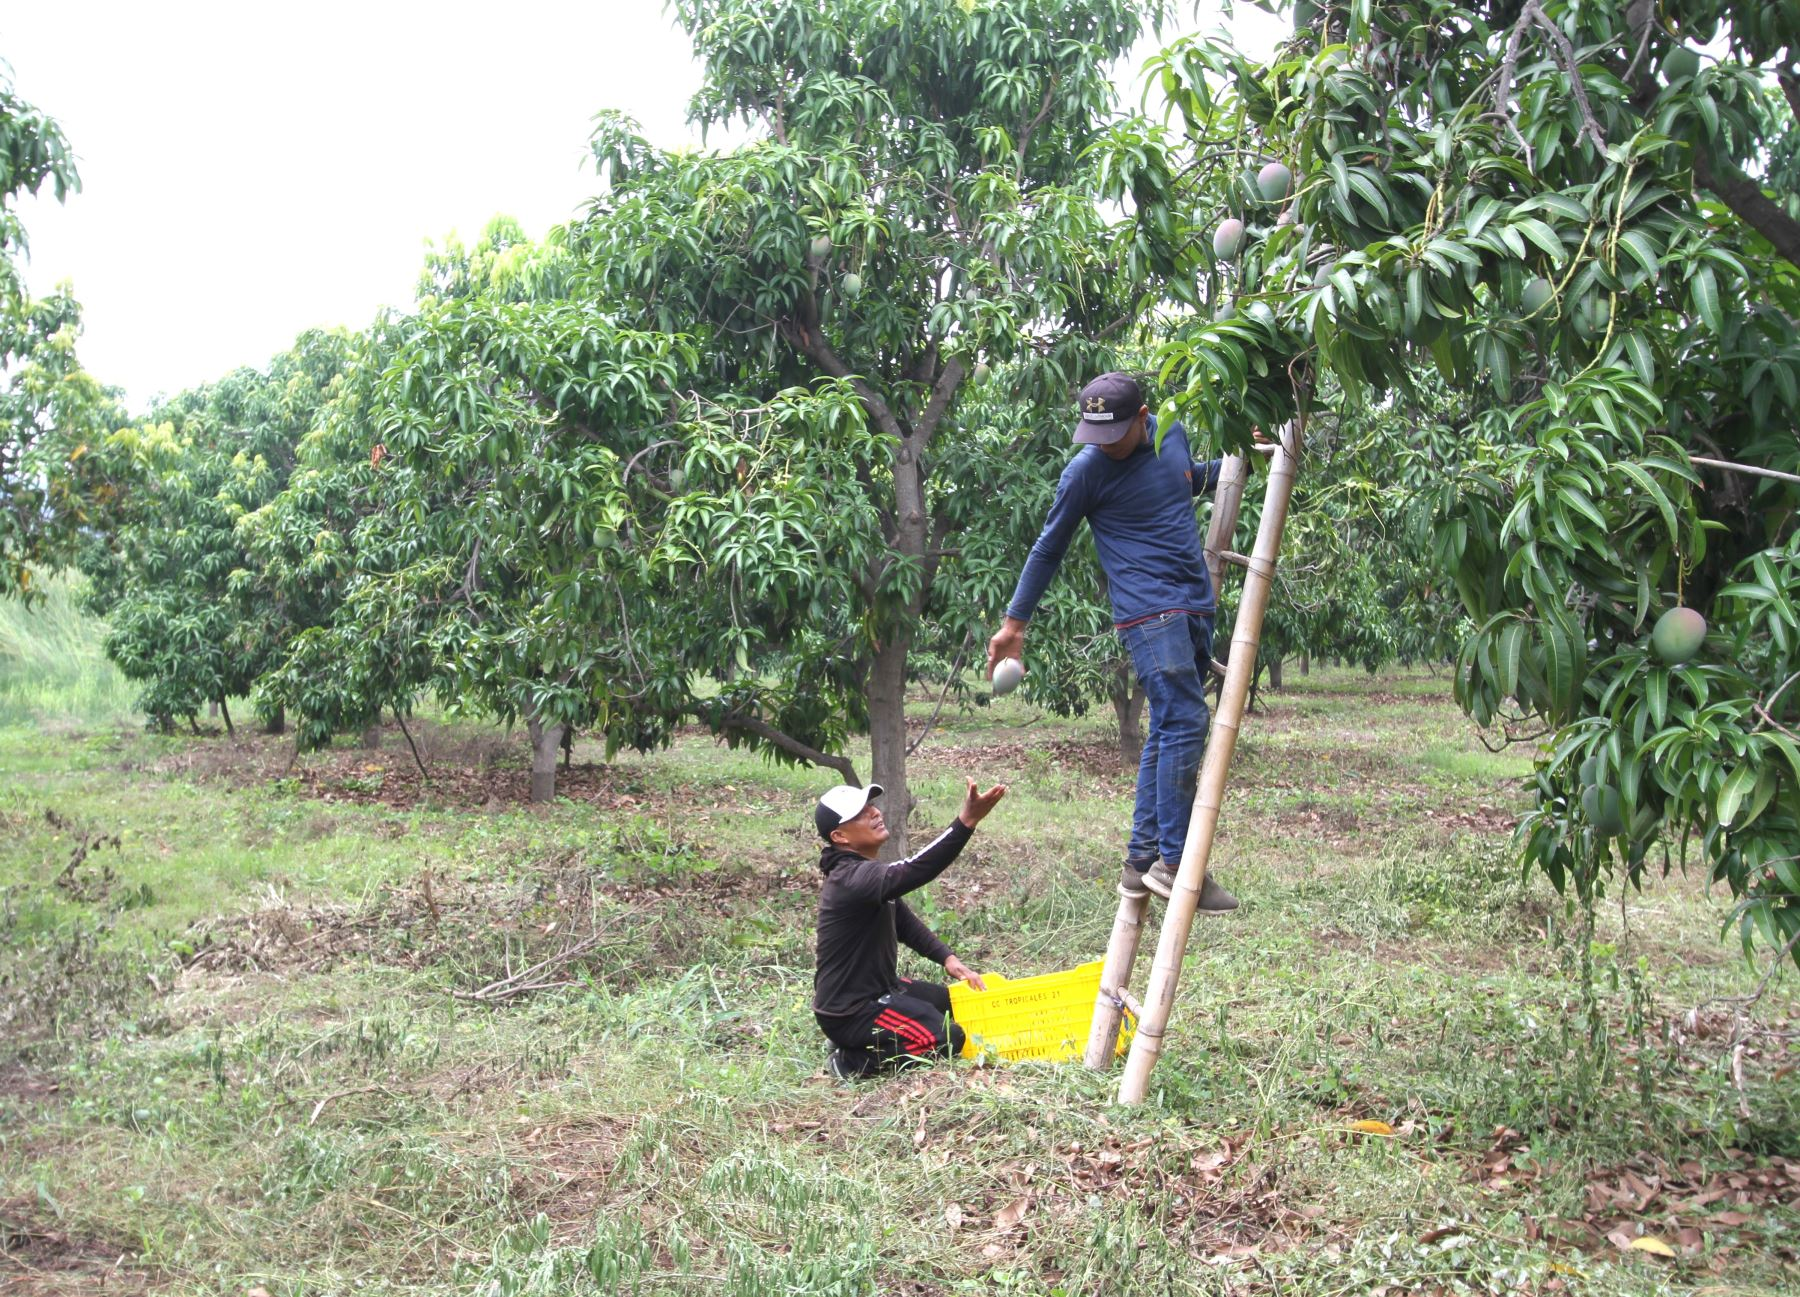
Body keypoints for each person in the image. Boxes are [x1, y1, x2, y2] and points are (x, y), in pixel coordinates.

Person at [986, 371, 1240, 912]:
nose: (1103, 443)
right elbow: (1047, 548)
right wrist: (1015, 623)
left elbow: (1186, 479)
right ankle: (1176, 863)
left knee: (1169, 728)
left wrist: (1242, 461)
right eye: (1093, 432)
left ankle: (1140, 859)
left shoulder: (1171, 432)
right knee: (1187, 721)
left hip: (1195, 602)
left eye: (1115, 432)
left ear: (1143, 417)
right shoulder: (1085, 471)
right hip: (1148, 613)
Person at [812, 777, 1006, 1080]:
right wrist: (966, 821)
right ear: (840, 836)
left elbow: (902, 921)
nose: (874, 813)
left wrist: (948, 958)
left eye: (872, 806)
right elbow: (916, 868)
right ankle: (852, 1061)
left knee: (947, 1003)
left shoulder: (864, 876)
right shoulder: (852, 879)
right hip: (851, 1010)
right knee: (946, 1038)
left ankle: (860, 1039)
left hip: (879, 990)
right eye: (860, 814)